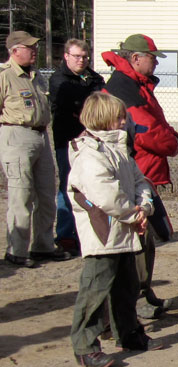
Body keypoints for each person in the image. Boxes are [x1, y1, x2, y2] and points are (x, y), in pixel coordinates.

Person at [68, 92, 164, 367]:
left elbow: (140, 181)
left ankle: (129, 333)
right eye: (120, 117)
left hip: (125, 231)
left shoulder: (120, 152)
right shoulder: (89, 154)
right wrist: (134, 214)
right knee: (95, 290)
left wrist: (144, 207)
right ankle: (85, 345)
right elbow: (105, 196)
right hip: (104, 234)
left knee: (127, 286)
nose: (125, 121)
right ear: (104, 119)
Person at [102, 34, 178, 318]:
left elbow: (156, 123)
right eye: (152, 57)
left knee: (145, 241)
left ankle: (144, 295)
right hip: (132, 174)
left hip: (141, 171)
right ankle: (132, 303)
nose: (156, 62)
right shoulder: (124, 87)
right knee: (137, 239)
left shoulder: (137, 84)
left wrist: (170, 136)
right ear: (135, 58)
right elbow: (148, 131)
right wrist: (172, 142)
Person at [1, 30, 72, 268]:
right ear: (14, 51)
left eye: (35, 47)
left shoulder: (35, 75)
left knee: (46, 193)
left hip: (41, 136)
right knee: (21, 195)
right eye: (29, 48)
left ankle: (42, 245)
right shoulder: (5, 76)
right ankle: (16, 250)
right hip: (16, 134)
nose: (34, 51)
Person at [49, 38, 107, 257]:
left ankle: (89, 233)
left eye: (85, 57)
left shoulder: (92, 77)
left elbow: (102, 99)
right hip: (68, 142)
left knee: (92, 187)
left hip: (92, 141)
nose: (81, 60)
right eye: (77, 56)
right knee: (68, 186)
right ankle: (65, 236)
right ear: (66, 56)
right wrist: (89, 108)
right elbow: (77, 106)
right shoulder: (59, 80)